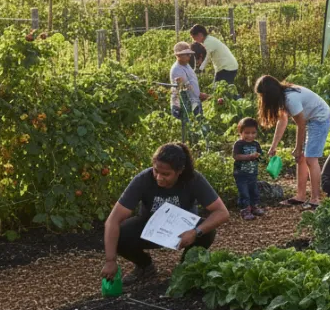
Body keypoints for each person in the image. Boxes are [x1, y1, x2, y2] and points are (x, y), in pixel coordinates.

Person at [102, 143, 229, 285]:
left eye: (166, 174)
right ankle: (145, 266)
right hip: (150, 228)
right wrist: (110, 260)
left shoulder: (193, 179)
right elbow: (112, 221)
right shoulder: (143, 179)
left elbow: (222, 212)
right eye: (156, 171)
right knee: (120, 234)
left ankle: (185, 268)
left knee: (207, 231)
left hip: (183, 230)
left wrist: (195, 232)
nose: (159, 178)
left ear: (179, 171)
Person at [255, 75, 330, 209]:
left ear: (270, 94)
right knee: (301, 158)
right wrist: (273, 146)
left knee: (310, 158)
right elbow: (282, 120)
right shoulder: (282, 97)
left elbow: (301, 125)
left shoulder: (290, 98)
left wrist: (298, 148)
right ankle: (300, 196)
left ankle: (315, 199)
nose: (261, 99)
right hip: (310, 118)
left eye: (262, 96)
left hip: (320, 117)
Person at [232, 117, 265, 220]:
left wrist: (260, 157)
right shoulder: (239, 144)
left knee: (254, 191)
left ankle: (253, 207)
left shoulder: (256, 144)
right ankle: (245, 210)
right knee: (244, 193)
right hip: (241, 174)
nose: (250, 135)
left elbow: (260, 156)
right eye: (247, 133)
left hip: (252, 173)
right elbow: (236, 156)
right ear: (240, 132)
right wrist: (249, 157)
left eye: (253, 133)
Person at [169, 42, 207, 118]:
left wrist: (199, 94)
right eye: (187, 54)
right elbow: (186, 89)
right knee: (190, 126)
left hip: (194, 101)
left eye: (189, 54)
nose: (189, 56)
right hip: (186, 105)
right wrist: (201, 95)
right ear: (178, 55)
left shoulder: (186, 65)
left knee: (199, 125)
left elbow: (192, 83)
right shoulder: (177, 70)